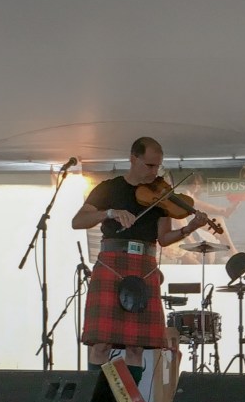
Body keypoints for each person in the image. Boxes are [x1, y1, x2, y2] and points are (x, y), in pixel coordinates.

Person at [72, 137, 208, 383]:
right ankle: (96, 400)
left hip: (144, 264)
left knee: (136, 346)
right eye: (149, 165)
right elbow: (78, 221)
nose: (154, 172)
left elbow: (164, 238)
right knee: (101, 343)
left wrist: (189, 228)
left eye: (158, 166)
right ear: (133, 158)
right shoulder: (109, 188)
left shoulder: (161, 195)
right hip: (112, 262)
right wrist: (109, 212)